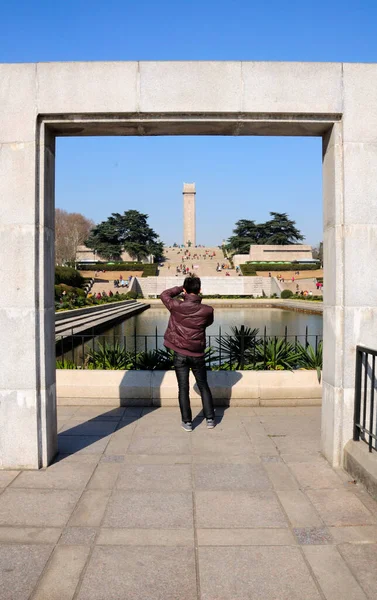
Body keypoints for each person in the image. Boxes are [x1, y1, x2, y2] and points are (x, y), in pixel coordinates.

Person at [161, 277, 215, 432]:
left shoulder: (176, 306)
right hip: (197, 353)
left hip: (180, 353)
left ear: (185, 290)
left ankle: (187, 422)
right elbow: (208, 323)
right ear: (199, 290)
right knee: (203, 385)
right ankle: (210, 419)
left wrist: (179, 288)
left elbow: (164, 295)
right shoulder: (207, 310)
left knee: (183, 388)